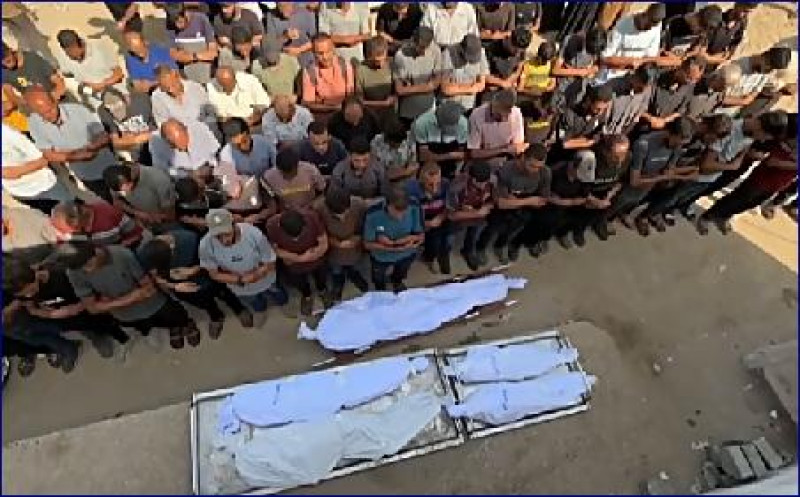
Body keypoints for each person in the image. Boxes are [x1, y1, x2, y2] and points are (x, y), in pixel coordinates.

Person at [61, 241, 201, 350]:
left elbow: (148, 288)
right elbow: (92, 308)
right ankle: (173, 328)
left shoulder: (121, 254)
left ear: (96, 251)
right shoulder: (74, 271)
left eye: (88, 265)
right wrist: (131, 297)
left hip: (154, 303)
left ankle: (185, 325)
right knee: (150, 325)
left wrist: (108, 303)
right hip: (124, 315)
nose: (87, 271)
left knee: (174, 314)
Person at [139, 229, 253, 339]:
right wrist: (174, 285)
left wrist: (194, 270)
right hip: (183, 289)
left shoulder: (191, 240)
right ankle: (216, 316)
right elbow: (153, 278)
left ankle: (239, 309)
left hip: (207, 278)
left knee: (223, 293)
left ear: (172, 249)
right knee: (204, 303)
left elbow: (217, 262)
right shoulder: (146, 253)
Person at [7, 259, 131, 360]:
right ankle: (98, 336)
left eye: (31, 290)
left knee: (108, 325)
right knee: (86, 327)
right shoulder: (22, 292)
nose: (29, 295)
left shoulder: (62, 275)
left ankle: (124, 340)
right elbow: (29, 305)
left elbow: (84, 301)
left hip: (87, 311)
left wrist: (51, 314)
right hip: (71, 319)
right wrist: (39, 311)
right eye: (25, 294)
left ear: (35, 274)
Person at [698, 112, 794, 235]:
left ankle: (722, 215)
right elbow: (707, 163)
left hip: (777, 177)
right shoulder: (741, 130)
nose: (764, 138)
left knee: (752, 201)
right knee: (735, 192)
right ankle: (707, 215)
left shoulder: (756, 134)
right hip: (759, 169)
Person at [605, 117, 695, 235]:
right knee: (616, 205)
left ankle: (622, 214)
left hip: (647, 187)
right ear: (670, 132)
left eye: (682, 144)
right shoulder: (644, 144)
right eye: (678, 142)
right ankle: (605, 220)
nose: (679, 146)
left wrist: (672, 172)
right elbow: (634, 181)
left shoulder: (676, 147)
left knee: (633, 202)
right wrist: (662, 177)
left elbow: (670, 168)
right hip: (628, 187)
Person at [25, 86, 115, 201]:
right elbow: (48, 154)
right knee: (108, 202)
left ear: (55, 101)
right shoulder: (34, 122)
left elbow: (103, 136)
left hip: (107, 166)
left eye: (50, 110)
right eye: (42, 114)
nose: (48, 116)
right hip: (85, 175)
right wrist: (76, 156)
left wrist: (92, 147)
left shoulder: (79, 110)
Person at [199, 209, 285, 327]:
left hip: (266, 278)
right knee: (254, 301)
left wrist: (257, 274)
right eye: (218, 236)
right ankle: (261, 311)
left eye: (227, 233)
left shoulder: (253, 233)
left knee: (277, 292)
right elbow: (213, 274)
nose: (224, 240)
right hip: (240, 287)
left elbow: (270, 261)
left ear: (234, 224)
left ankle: (284, 304)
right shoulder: (205, 245)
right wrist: (241, 280)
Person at [475, 144, 551, 265]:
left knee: (514, 229)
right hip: (505, 208)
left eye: (539, 167)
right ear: (523, 158)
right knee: (492, 228)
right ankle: (480, 247)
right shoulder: (506, 170)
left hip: (524, 208)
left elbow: (543, 200)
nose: (535, 170)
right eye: (532, 165)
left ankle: (500, 246)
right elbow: (501, 203)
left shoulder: (545, 172)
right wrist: (528, 201)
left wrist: (514, 201)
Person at [266, 209, 330, 315]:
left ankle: (322, 291)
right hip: (294, 263)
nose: (296, 239)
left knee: (321, 277)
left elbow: (324, 243)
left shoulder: (312, 217)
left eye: (299, 235)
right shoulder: (272, 225)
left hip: (315, 257)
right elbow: (275, 249)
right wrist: (299, 258)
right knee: (299, 283)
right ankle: (307, 295)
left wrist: (314, 255)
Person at [2, 122, 73, 214]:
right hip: (20, 194)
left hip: (45, 186)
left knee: (74, 212)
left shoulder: (7, 134)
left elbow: (43, 160)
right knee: (53, 217)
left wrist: (16, 172)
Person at [313, 186, 369, 302]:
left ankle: (353, 274)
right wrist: (336, 243)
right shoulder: (318, 209)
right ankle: (338, 282)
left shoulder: (359, 204)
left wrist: (358, 237)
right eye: (337, 214)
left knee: (354, 265)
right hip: (333, 249)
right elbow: (318, 232)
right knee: (336, 269)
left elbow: (366, 223)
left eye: (345, 212)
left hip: (354, 247)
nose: (342, 217)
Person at [363, 187, 424, 292]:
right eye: (396, 211)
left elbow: (420, 235)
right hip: (381, 257)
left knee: (400, 273)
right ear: (388, 204)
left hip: (406, 253)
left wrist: (412, 240)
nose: (400, 217)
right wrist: (392, 247)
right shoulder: (373, 214)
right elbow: (367, 244)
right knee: (378, 278)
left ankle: (397, 282)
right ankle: (380, 290)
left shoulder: (414, 205)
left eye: (404, 212)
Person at [574, 134, 630, 241]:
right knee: (582, 214)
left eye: (623, 154)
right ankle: (578, 230)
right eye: (616, 155)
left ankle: (597, 223)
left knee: (603, 210)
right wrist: (594, 201)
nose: (620, 159)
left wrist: (610, 195)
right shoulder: (591, 159)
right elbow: (582, 186)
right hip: (590, 192)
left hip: (608, 192)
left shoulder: (627, 158)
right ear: (606, 152)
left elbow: (622, 180)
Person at [597, 3, 668, 85]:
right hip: (610, 76)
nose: (650, 28)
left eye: (653, 25)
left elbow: (651, 57)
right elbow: (605, 58)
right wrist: (629, 62)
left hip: (632, 78)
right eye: (649, 24)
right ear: (645, 14)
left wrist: (640, 62)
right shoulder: (622, 25)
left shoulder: (656, 27)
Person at [55, 30, 125, 109]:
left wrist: (101, 85)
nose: (77, 58)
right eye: (72, 56)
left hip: (114, 88)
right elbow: (71, 82)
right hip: (94, 98)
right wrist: (89, 90)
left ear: (81, 44)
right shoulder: (63, 58)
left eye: (79, 55)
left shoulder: (100, 46)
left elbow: (119, 74)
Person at [637, 56, 705, 136]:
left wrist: (664, 120)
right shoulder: (657, 78)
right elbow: (637, 103)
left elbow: (681, 110)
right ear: (681, 69)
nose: (691, 82)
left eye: (696, 79)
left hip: (666, 129)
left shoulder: (690, 86)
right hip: (642, 124)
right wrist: (651, 118)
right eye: (689, 77)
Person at [447, 161, 495, 270]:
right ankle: (445, 253)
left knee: (475, 233)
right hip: (459, 215)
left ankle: (468, 251)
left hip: (479, 215)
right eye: (478, 182)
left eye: (485, 182)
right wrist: (475, 213)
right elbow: (451, 215)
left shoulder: (492, 181)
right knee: (449, 237)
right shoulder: (456, 187)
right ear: (470, 176)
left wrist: (487, 206)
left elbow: (493, 200)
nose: (482, 186)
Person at [719, 46, 793, 116]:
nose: (768, 70)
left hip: (727, 111)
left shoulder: (764, 75)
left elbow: (749, 98)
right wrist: (741, 101)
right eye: (768, 65)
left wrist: (743, 101)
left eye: (771, 69)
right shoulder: (738, 62)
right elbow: (716, 89)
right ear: (765, 56)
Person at [103, 161, 176, 232]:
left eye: (129, 186)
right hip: (142, 221)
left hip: (164, 223)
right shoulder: (116, 180)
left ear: (132, 173)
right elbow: (117, 201)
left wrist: (153, 217)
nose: (127, 192)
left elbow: (170, 215)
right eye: (122, 191)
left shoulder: (158, 179)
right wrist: (137, 213)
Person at [406, 163, 451, 274]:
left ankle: (443, 255)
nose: (435, 189)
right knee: (433, 242)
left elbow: (450, 206)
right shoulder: (411, 190)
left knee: (448, 239)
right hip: (421, 220)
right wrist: (426, 224)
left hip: (440, 216)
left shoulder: (446, 184)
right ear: (422, 181)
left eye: (437, 183)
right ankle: (430, 258)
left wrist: (441, 217)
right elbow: (407, 217)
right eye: (430, 184)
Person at [50, 198, 145, 249]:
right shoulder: (81, 217)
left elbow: (110, 246)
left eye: (69, 230)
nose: (68, 233)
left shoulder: (106, 222)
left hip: (131, 241)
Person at [393, 26, 442, 123]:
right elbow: (399, 89)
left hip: (428, 108)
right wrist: (427, 86)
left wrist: (410, 88)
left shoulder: (436, 51)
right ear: (413, 41)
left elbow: (436, 83)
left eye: (425, 47)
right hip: (408, 109)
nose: (422, 51)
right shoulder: (400, 55)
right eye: (420, 47)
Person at [467, 89, 527, 168]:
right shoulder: (477, 115)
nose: (504, 119)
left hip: (508, 162)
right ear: (492, 106)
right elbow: (474, 153)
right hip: (484, 163)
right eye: (499, 115)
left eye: (507, 115)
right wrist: (504, 149)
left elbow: (517, 145)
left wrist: (516, 148)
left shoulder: (516, 113)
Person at [151, 66, 218, 135]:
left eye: (173, 85)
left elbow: (209, 112)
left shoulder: (195, 87)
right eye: (166, 88)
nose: (171, 90)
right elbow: (163, 124)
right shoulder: (157, 97)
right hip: (179, 134)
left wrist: (205, 130)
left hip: (204, 129)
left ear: (177, 76)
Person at [301, 33, 355, 118]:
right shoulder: (309, 71)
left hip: (344, 114)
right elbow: (309, 104)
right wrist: (333, 107)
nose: (325, 57)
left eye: (328, 51)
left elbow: (351, 98)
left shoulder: (345, 66)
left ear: (333, 49)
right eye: (320, 53)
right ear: (313, 53)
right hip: (320, 115)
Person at [551, 27, 607, 108]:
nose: (592, 54)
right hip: (560, 90)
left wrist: (592, 70)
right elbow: (555, 70)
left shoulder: (597, 48)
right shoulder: (570, 41)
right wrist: (580, 72)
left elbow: (597, 66)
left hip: (575, 94)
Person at [98, 88, 156, 164]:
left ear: (126, 99)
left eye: (120, 109)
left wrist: (132, 140)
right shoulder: (104, 112)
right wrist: (136, 140)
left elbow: (158, 130)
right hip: (131, 154)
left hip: (152, 146)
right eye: (113, 112)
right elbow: (116, 143)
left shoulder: (142, 100)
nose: (118, 114)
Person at [411, 100, 468, 179]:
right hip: (428, 167)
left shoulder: (464, 124)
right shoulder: (421, 123)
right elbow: (423, 156)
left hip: (451, 167)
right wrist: (451, 155)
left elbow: (462, 154)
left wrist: (456, 170)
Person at [149, 119, 220, 182]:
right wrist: (187, 174)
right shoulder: (156, 142)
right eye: (178, 147)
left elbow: (215, 153)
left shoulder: (200, 128)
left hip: (207, 171)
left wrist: (210, 167)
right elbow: (161, 171)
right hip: (182, 180)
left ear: (186, 129)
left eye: (185, 144)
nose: (183, 149)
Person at [165, 3, 218, 85]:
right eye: (174, 23)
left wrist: (192, 56)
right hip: (186, 73)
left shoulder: (201, 19)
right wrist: (197, 56)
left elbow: (213, 53)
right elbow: (173, 54)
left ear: (185, 13)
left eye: (180, 22)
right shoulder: (170, 26)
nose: (178, 26)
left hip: (205, 70)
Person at [604, 64, 656, 136]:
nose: (642, 91)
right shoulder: (613, 86)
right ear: (635, 77)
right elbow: (603, 115)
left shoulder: (647, 90)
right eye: (640, 87)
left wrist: (624, 133)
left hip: (624, 133)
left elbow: (640, 112)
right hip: (605, 132)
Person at [331, 136, 388, 203]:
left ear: (370, 155)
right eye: (356, 160)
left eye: (365, 160)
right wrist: (351, 199)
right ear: (350, 156)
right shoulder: (339, 169)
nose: (361, 164)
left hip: (373, 204)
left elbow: (386, 193)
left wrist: (373, 201)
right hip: (348, 205)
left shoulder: (378, 168)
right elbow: (334, 193)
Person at [440, 33, 489, 111]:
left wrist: (457, 88)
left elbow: (482, 83)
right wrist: (470, 89)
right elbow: (446, 88)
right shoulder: (447, 54)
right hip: (449, 105)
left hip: (469, 106)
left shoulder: (481, 53)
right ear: (461, 49)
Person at [355, 36, 396, 117]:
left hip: (389, 114)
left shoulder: (392, 64)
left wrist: (394, 97)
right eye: (376, 61)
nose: (380, 64)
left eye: (382, 60)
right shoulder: (361, 69)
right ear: (370, 56)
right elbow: (360, 100)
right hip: (369, 114)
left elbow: (397, 91)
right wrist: (384, 103)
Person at [371, 117, 418, 186]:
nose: (397, 146)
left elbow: (413, 168)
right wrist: (404, 172)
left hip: (404, 181)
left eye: (399, 143)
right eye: (394, 144)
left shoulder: (409, 142)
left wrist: (404, 174)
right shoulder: (376, 142)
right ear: (386, 139)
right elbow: (375, 170)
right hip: (382, 182)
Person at [484, 26, 530, 93]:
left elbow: (519, 67)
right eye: (515, 50)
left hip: (508, 89)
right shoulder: (491, 49)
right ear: (509, 39)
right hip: (490, 90)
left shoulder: (521, 51)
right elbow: (482, 75)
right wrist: (501, 83)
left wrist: (511, 79)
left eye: (520, 51)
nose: (517, 53)